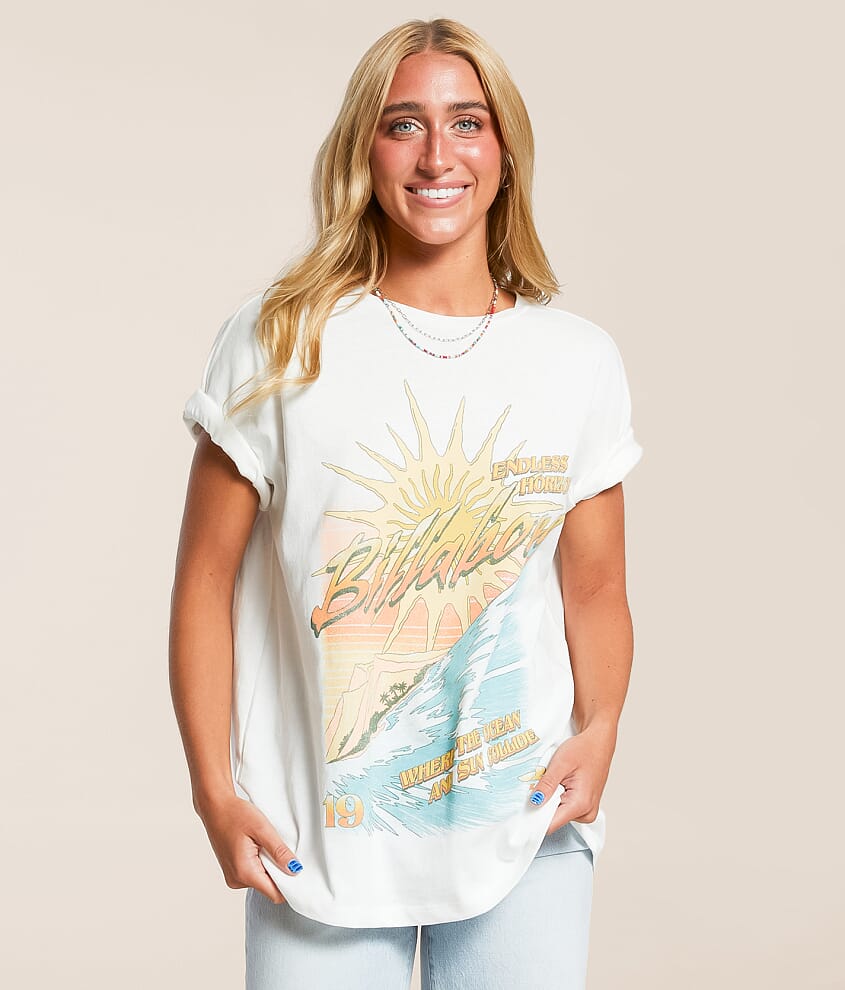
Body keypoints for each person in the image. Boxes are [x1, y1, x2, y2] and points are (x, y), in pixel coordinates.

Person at [170, 16, 644, 990]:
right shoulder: (279, 340)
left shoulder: (576, 361)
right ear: (364, 150)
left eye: (466, 122)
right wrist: (214, 792)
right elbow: (204, 583)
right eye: (403, 125)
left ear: (504, 154)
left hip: (525, 829)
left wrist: (599, 729)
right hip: (316, 843)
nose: (437, 155)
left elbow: (595, 586)